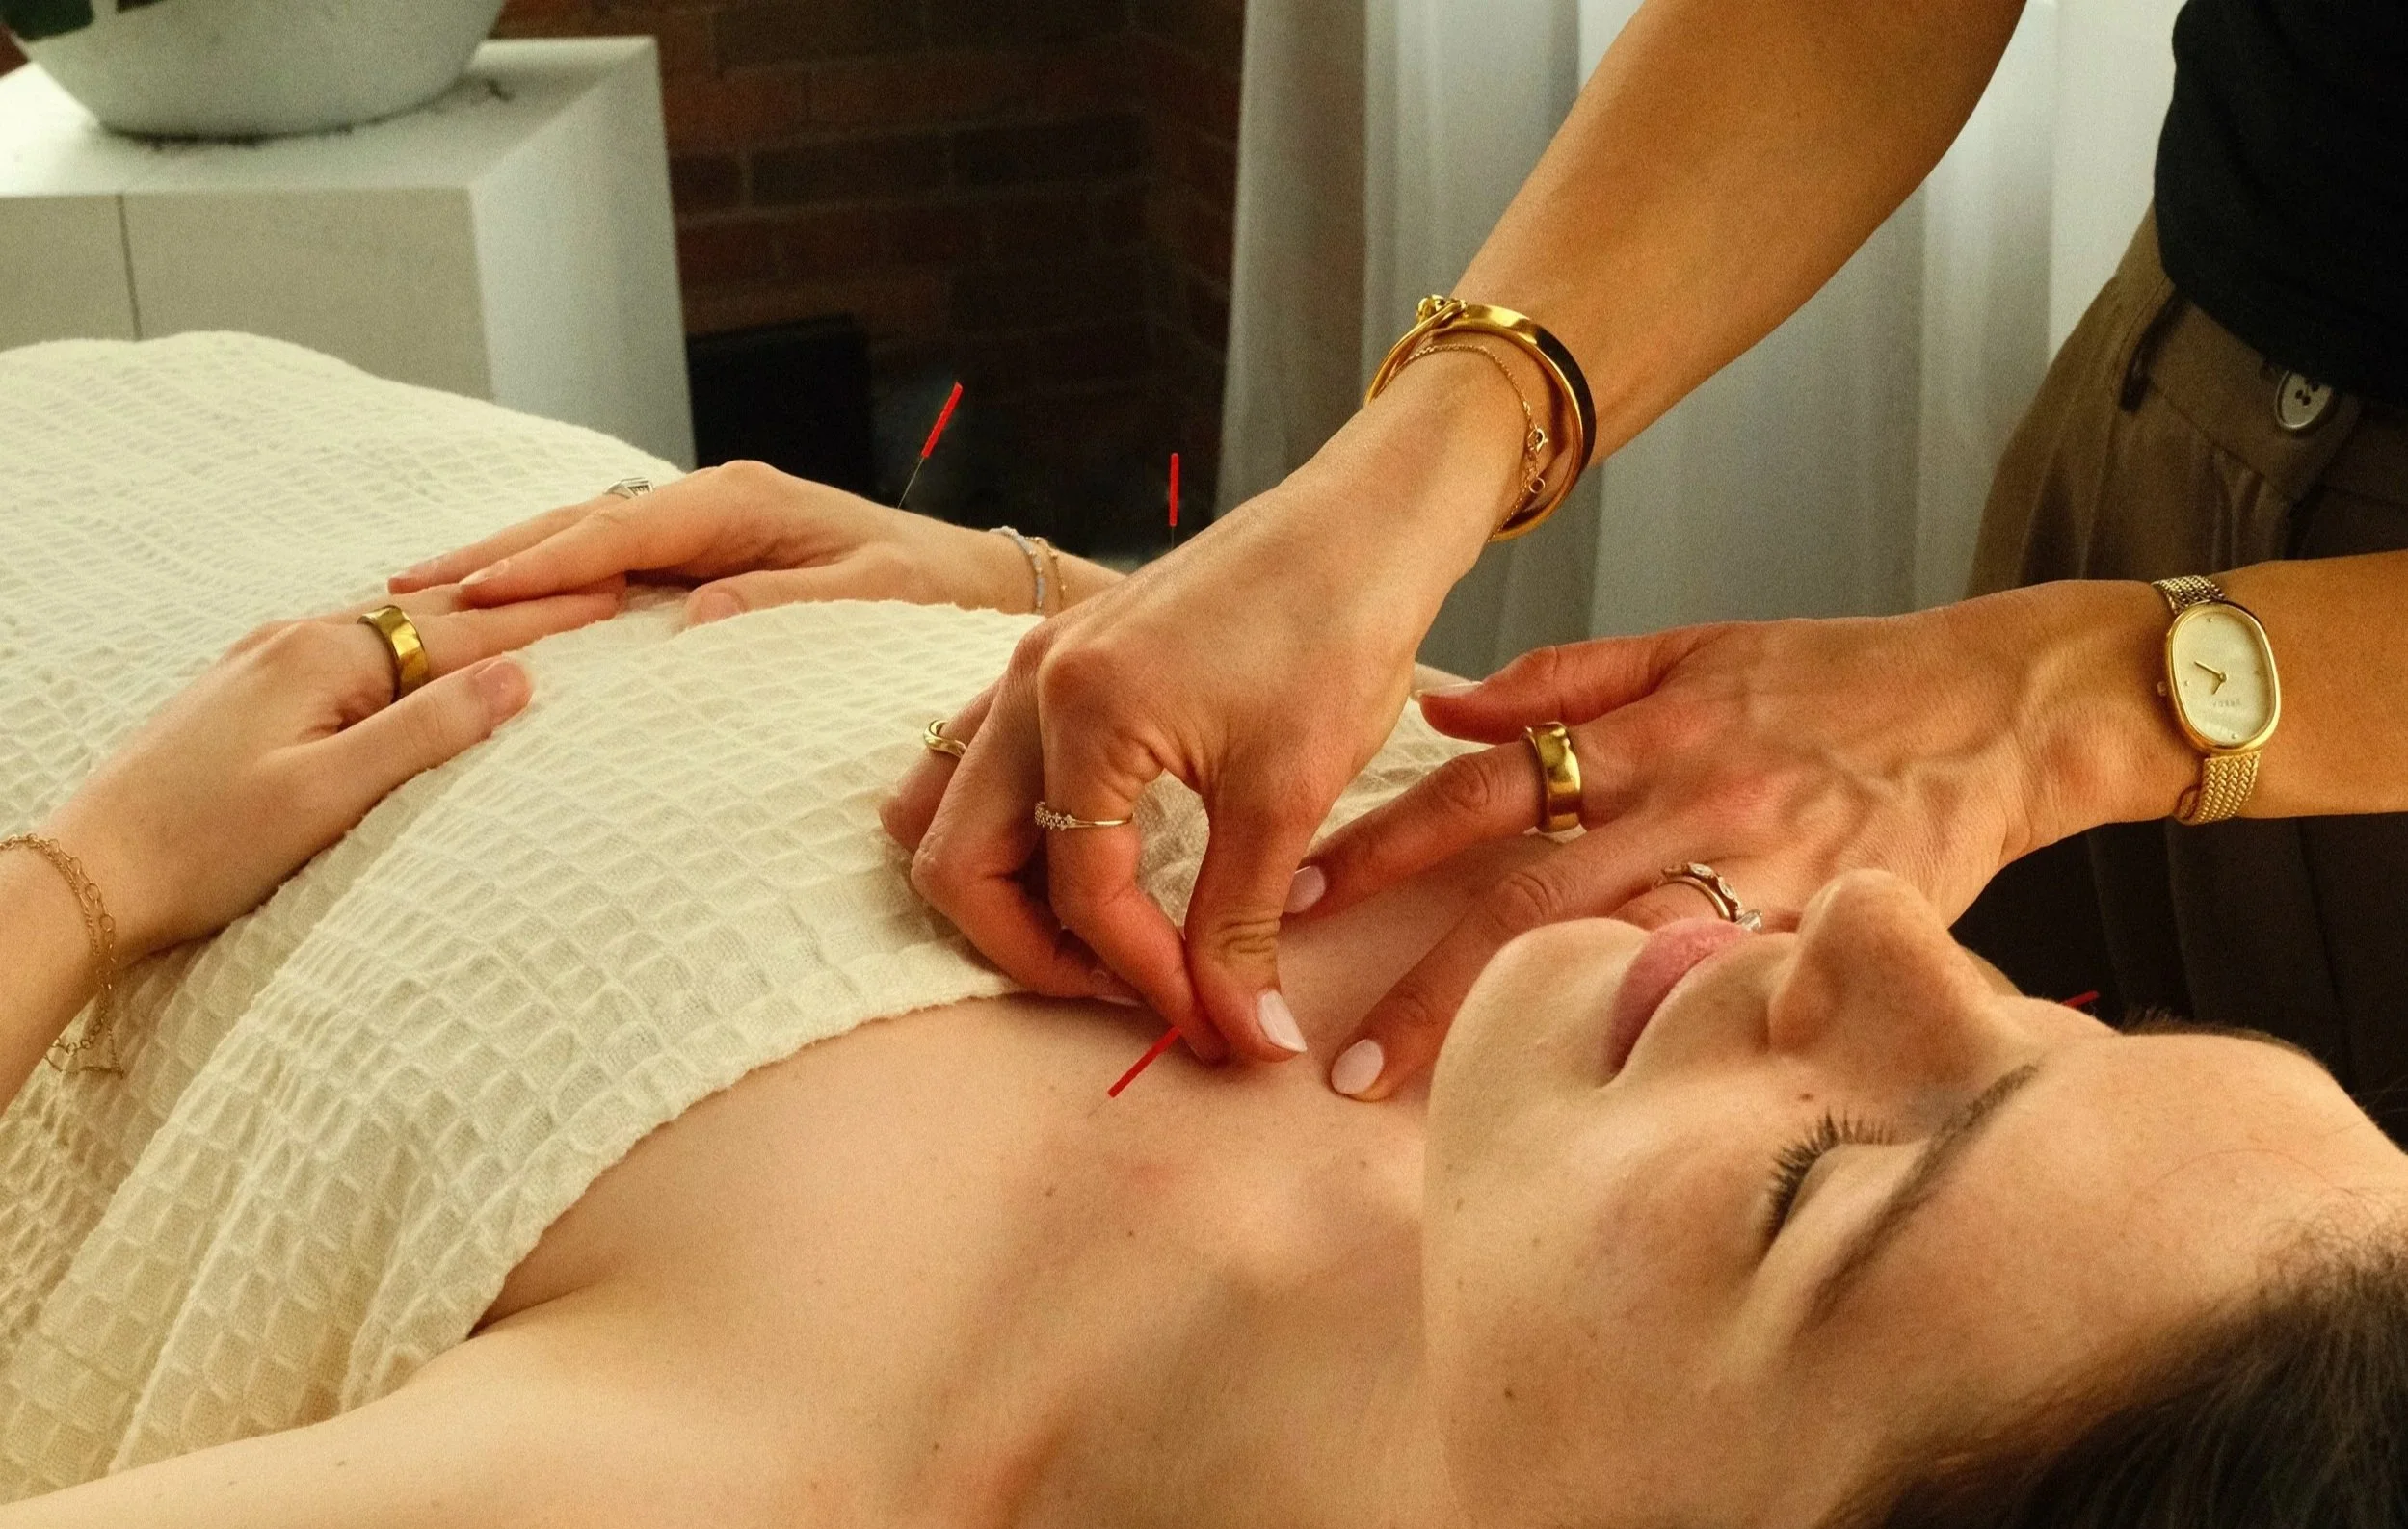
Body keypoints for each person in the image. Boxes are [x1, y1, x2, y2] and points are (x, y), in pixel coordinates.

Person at [12, 515, 2408, 1529]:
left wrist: (90, 884)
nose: (1881, 929)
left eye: (1826, 1195)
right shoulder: (1598, 1028)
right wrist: (1045, 594)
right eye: (2076, 1029)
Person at [414, 0, 2408, 1127]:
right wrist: (1415, 460)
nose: (1882, 955)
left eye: (1809, 1216)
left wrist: (2050, 709)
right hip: (2162, 418)